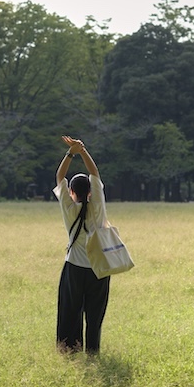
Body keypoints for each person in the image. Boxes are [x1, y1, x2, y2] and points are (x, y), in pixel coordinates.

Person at [53, 135, 111, 355]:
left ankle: (70, 350)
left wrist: (71, 153)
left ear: (70, 192)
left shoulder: (69, 209)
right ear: (91, 192)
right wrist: (83, 150)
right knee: (95, 314)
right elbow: (94, 173)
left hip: (74, 268)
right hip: (99, 267)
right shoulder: (98, 207)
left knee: (70, 310)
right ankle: (93, 351)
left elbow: (60, 176)